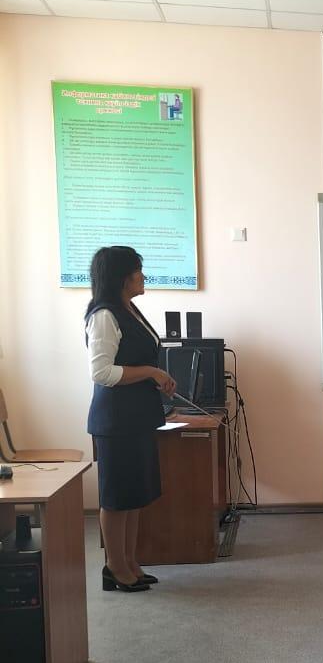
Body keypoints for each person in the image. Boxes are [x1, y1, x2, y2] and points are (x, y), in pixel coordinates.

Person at [85, 246, 174, 593]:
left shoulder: (129, 310)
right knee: (116, 496)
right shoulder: (104, 316)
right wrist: (151, 372)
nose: (143, 276)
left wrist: (156, 377)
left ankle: (131, 562)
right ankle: (115, 567)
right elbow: (102, 372)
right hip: (116, 421)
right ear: (122, 277)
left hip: (138, 417)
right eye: (138, 270)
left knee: (135, 494)